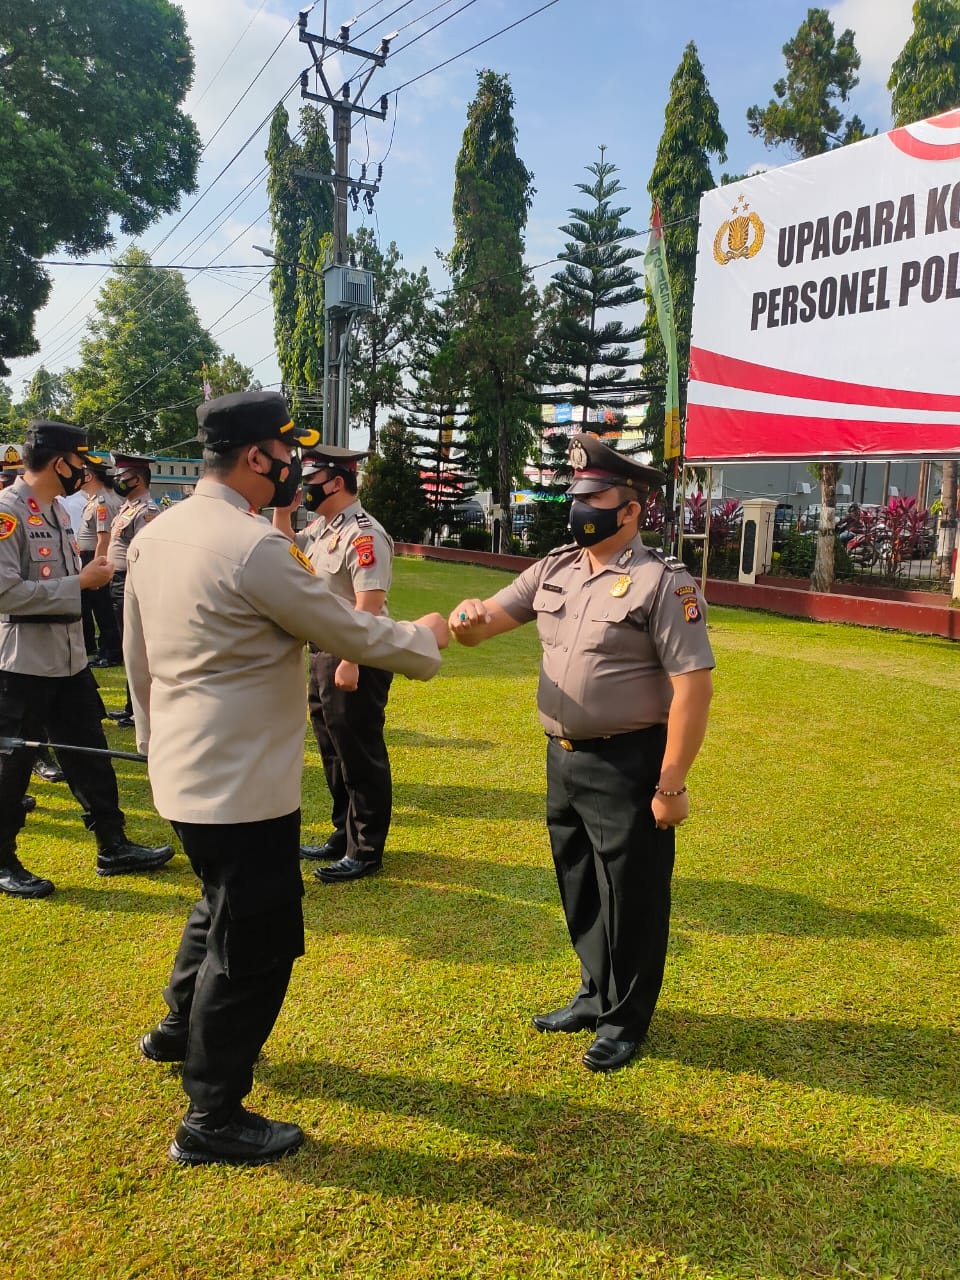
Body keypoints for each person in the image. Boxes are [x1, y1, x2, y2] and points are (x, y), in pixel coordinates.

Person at [124, 391, 448, 1166]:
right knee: (258, 946)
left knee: (218, 903)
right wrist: (425, 638)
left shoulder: (159, 531)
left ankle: (176, 1027)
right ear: (256, 457)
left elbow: (135, 652)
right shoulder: (251, 546)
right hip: (240, 787)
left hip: (181, 770)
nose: (295, 464)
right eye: (284, 449)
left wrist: (146, 734)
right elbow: (345, 628)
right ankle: (212, 1115)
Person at [449, 434, 715, 1074]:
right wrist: (465, 617)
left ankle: (626, 1018)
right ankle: (595, 993)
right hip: (563, 757)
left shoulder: (662, 582)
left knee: (632, 893)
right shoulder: (555, 568)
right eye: (577, 496)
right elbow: (486, 622)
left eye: (595, 497)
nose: (581, 507)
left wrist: (671, 783)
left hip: (629, 761)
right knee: (580, 884)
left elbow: (693, 686)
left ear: (632, 509)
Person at [0, 420, 174, 900]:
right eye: (78, 459)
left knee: (88, 749)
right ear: (58, 461)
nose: (84, 469)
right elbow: (4, 591)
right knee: (13, 762)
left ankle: (112, 844)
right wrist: (78, 585)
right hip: (24, 661)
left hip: (68, 656)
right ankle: (3, 858)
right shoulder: (8, 512)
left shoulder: (53, 509)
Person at [273, 448, 396, 882]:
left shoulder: (364, 535)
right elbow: (289, 555)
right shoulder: (325, 528)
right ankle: (341, 834)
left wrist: (351, 661)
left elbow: (369, 606)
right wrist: (281, 512)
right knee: (332, 750)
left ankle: (365, 849)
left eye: (311, 479)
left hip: (354, 656)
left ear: (337, 482)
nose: (304, 487)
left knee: (359, 752)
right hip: (323, 652)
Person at [108, 454, 160, 727]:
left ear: (137, 479)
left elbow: (144, 553)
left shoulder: (147, 511)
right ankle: (130, 706)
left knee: (135, 647)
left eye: (122, 477)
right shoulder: (126, 507)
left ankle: (137, 709)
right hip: (116, 581)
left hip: (130, 582)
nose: (117, 481)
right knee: (126, 645)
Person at [77, 450, 123, 667]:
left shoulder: (102, 502)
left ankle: (110, 653)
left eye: (83, 471)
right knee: (97, 610)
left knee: (104, 610)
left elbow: (103, 539)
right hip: (89, 558)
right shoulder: (94, 500)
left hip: (96, 559)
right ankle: (104, 650)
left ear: (90, 475)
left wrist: (98, 568)